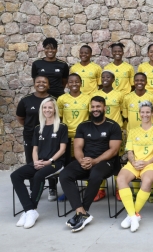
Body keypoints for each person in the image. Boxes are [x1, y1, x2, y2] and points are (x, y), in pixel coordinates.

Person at [59, 96, 122, 232]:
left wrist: (94, 161)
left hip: (106, 162)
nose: (95, 109)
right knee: (65, 175)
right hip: (85, 161)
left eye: (98, 107)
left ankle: (84, 210)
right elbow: (77, 147)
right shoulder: (83, 126)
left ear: (104, 108)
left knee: (95, 175)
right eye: (93, 107)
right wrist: (82, 160)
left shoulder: (113, 126)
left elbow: (114, 150)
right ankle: (80, 211)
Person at [11, 98, 68, 228]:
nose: (47, 110)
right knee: (15, 176)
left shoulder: (62, 127)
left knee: (38, 176)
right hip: (39, 161)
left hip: (55, 163)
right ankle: (29, 210)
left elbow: (62, 149)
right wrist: (36, 162)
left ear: (55, 109)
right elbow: (35, 149)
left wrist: (49, 161)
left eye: (50, 107)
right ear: (41, 110)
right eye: (44, 107)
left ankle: (31, 210)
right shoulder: (38, 128)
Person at [117, 101, 153, 232]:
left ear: (152, 113)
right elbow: (129, 151)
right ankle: (133, 216)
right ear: (139, 114)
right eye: (142, 112)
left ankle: (131, 215)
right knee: (120, 179)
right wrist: (133, 162)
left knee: (148, 180)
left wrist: (147, 162)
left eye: (147, 112)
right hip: (134, 163)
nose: (145, 114)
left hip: (151, 164)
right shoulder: (133, 131)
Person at [93, 70, 125, 201]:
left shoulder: (120, 95)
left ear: (113, 80)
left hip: (115, 133)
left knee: (117, 161)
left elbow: (124, 114)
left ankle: (119, 189)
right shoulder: (95, 94)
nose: (105, 79)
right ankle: (100, 189)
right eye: (103, 77)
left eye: (108, 77)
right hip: (100, 132)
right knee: (99, 159)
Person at [16, 76, 54, 165]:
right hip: (30, 135)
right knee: (31, 162)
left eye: (44, 82)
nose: (41, 84)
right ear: (34, 84)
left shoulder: (54, 100)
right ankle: (33, 179)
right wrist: (30, 126)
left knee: (48, 161)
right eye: (38, 82)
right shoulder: (26, 100)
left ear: (49, 85)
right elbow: (20, 118)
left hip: (49, 136)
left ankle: (51, 179)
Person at [57, 73, 92, 164]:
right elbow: (59, 117)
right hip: (67, 135)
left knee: (83, 159)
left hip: (83, 135)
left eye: (77, 82)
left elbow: (91, 116)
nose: (74, 84)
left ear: (81, 83)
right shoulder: (61, 99)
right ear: (67, 84)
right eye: (71, 82)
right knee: (69, 161)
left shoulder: (88, 98)